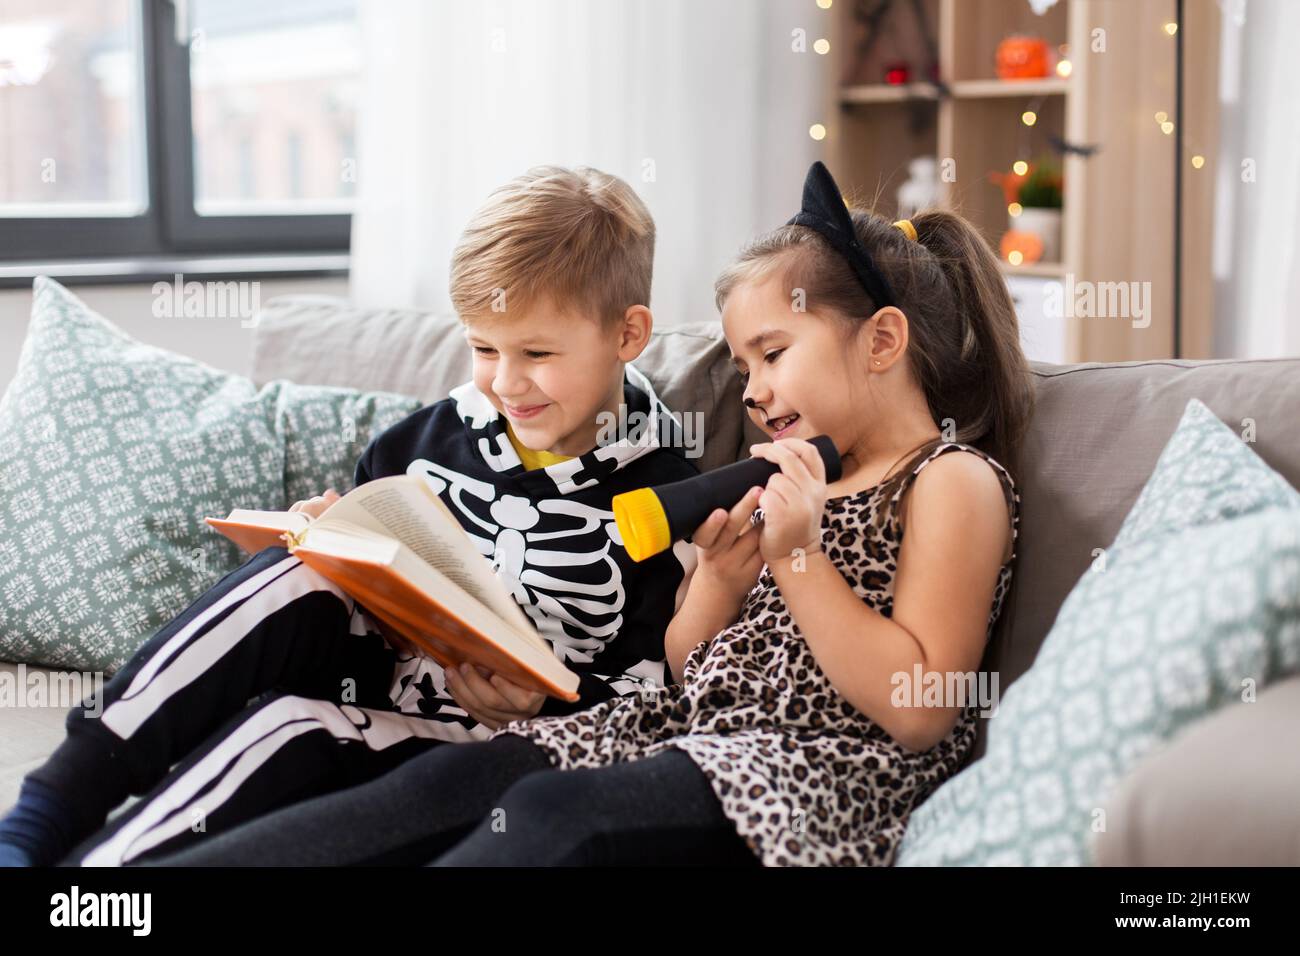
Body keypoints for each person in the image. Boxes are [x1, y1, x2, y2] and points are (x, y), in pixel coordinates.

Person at [0, 165, 700, 867]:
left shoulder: (678, 497)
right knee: (297, 574)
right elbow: (366, 595)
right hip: (372, 680)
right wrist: (331, 547)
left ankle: (90, 885)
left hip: (492, 755)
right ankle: (47, 813)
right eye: (484, 348)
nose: (506, 382)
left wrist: (535, 709)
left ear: (629, 333)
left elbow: (649, 712)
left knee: (290, 728)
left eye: (537, 354)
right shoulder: (421, 441)